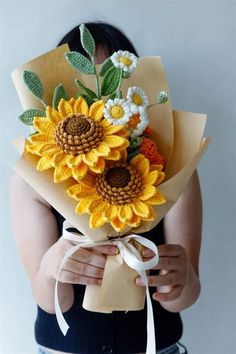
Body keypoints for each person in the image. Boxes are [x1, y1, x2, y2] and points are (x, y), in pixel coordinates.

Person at [10, 22, 202, 354]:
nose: (99, 97)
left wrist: (181, 278)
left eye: (112, 82)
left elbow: (183, 298)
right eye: (83, 84)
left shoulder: (174, 170)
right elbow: (51, 301)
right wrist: (52, 267)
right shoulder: (33, 179)